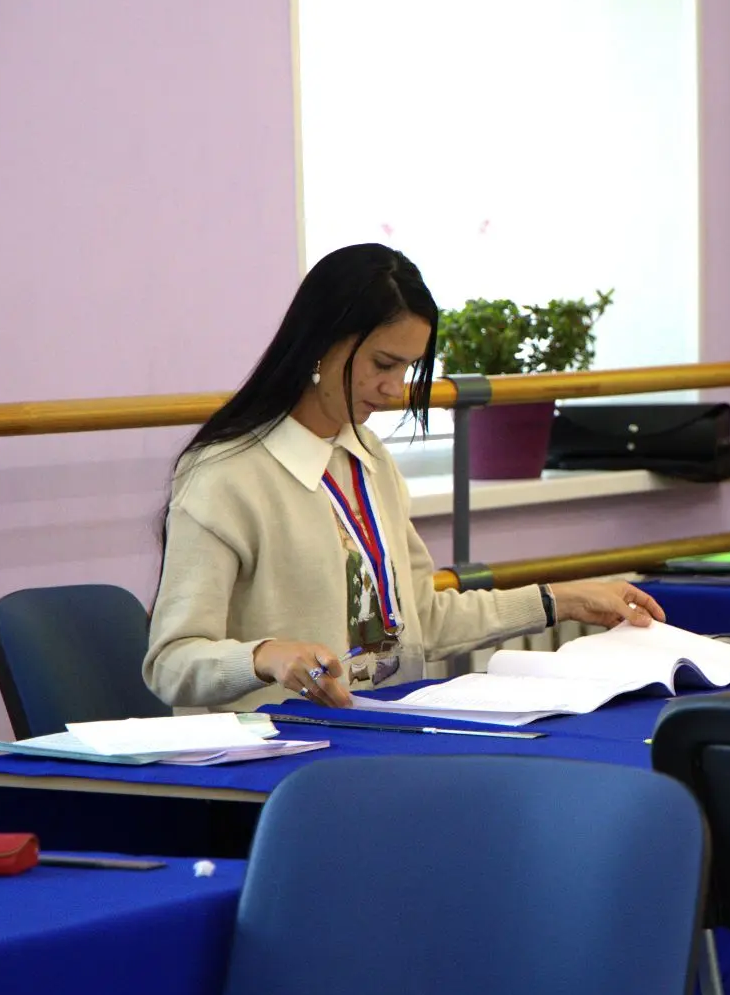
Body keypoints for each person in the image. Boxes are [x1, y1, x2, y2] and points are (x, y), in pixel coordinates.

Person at [145, 243, 664, 710]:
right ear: (320, 343)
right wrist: (264, 657)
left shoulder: (369, 457)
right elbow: (171, 663)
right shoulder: (225, 476)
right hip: (282, 752)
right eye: (383, 364)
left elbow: (422, 621)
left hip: (387, 729)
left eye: (408, 369)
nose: (395, 390)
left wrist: (564, 599)